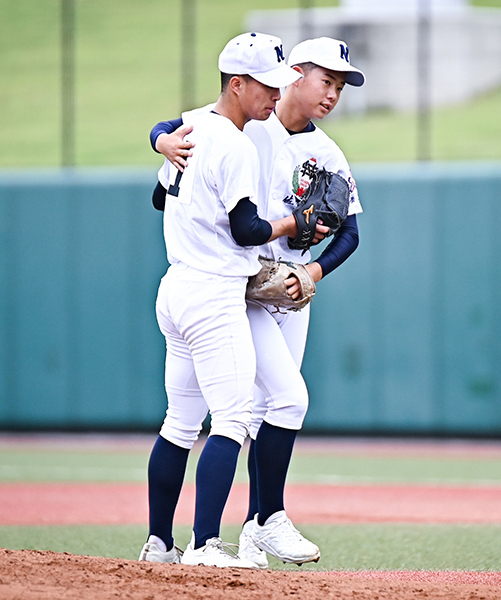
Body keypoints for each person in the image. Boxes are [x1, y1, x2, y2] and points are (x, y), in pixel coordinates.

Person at [150, 37, 365, 568]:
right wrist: (160, 139)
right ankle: (219, 539)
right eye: (326, 80)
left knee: (189, 420)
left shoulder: (316, 149)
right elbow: (246, 229)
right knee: (243, 414)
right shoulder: (244, 129)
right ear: (295, 74)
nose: (333, 93)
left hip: (228, 284)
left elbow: (350, 232)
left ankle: (174, 542)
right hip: (228, 287)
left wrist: (309, 271)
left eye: (341, 85)